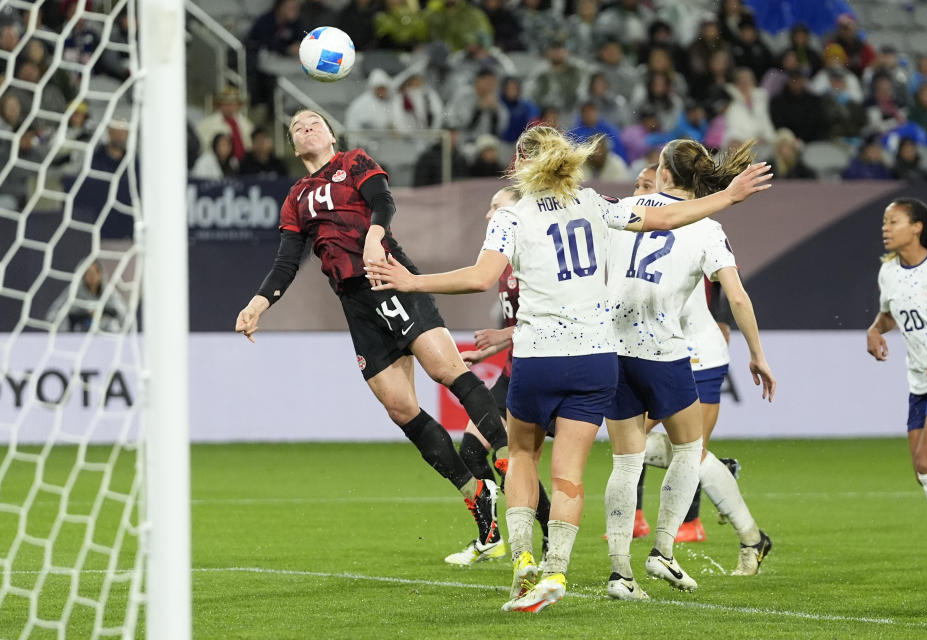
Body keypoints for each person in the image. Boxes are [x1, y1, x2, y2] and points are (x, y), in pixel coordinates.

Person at [363, 125, 772, 612]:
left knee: (520, 457)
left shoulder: (512, 216)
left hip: (537, 358)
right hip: (596, 360)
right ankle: (559, 567)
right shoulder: (595, 203)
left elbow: (479, 278)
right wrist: (726, 197)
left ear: (520, 165)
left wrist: (411, 281)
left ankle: (523, 565)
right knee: (571, 474)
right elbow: (668, 219)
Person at [235, 110, 513, 561]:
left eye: (313, 122)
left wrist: (375, 235)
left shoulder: (355, 163)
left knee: (446, 369)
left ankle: (505, 459)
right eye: (296, 128)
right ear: (293, 146)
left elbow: (384, 202)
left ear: (331, 134)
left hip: (388, 278)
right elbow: (287, 262)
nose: (305, 127)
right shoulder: (296, 197)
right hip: (355, 304)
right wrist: (258, 303)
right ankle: (477, 493)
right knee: (400, 407)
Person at [602, 139, 776, 599]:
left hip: (613, 351)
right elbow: (736, 296)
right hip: (664, 352)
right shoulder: (707, 229)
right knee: (689, 450)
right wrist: (757, 354)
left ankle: (621, 574)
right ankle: (662, 551)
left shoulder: (624, 208)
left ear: (661, 171)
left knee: (626, 463)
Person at [445, 186, 552, 566]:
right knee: (473, 450)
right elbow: (521, 323)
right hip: (513, 370)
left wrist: (502, 336)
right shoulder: (504, 260)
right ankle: (489, 537)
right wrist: (492, 348)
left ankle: (551, 537)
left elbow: (550, 315)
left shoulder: (540, 256)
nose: (490, 216)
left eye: (497, 207)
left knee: (516, 465)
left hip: (544, 372)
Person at [866, 198, 927, 566]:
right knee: (924, 474)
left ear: (917, 226)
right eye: (885, 222)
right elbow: (890, 314)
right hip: (920, 378)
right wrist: (875, 330)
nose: (886, 228)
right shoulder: (888, 272)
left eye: (894, 221)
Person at [45, 261, 128, 332]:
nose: (92, 276)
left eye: (95, 272)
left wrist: (104, 313)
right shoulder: (73, 291)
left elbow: (123, 314)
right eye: (88, 273)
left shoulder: (108, 292)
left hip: (105, 335)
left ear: (100, 274)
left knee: (112, 324)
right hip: (77, 335)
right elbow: (52, 314)